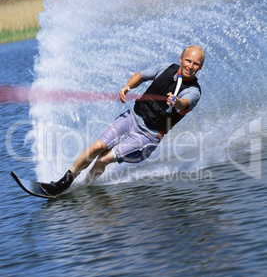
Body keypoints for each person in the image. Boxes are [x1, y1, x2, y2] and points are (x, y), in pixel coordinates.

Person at [41, 45, 205, 196]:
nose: (190, 66)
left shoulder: (194, 91)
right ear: (181, 59)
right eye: (188, 61)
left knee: (103, 159)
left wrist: (177, 102)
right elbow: (140, 76)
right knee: (97, 147)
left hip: (148, 137)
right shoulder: (165, 68)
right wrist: (128, 87)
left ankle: (85, 186)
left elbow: (186, 102)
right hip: (132, 118)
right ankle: (63, 183)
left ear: (200, 67)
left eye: (196, 64)